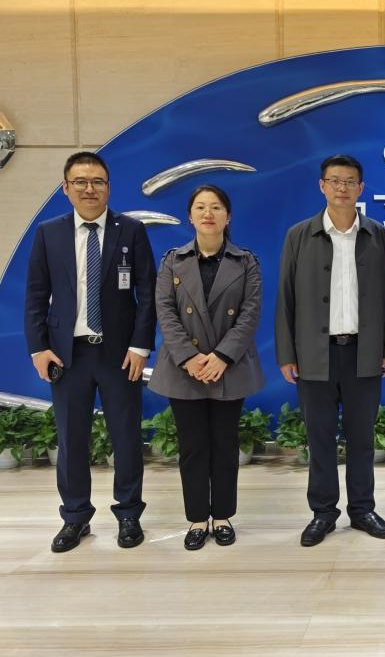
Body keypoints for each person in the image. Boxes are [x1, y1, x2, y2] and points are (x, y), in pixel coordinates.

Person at [25, 151, 156, 553]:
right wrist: (39, 348)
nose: (89, 189)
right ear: (65, 188)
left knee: (126, 437)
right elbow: (35, 296)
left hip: (119, 355)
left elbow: (148, 294)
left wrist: (140, 346)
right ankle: (75, 517)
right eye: (80, 182)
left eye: (97, 181)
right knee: (72, 440)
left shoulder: (130, 230)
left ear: (108, 187)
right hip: (68, 356)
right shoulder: (49, 233)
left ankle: (129, 514)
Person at [275, 154, 385, 547]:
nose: (342, 188)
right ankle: (323, 512)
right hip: (315, 353)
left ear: (361, 188)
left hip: (364, 352)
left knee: (363, 437)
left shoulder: (378, 235)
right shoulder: (300, 235)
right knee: (320, 438)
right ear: (322, 186)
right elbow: (286, 298)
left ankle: (362, 509)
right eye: (335, 181)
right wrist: (286, 353)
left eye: (350, 182)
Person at [148, 185, 263, 550]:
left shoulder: (246, 262)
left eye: (216, 207)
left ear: (228, 216)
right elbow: (165, 311)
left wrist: (221, 357)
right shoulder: (173, 261)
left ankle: (223, 516)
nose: (208, 214)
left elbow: (250, 314)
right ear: (190, 216)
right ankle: (198, 519)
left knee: (225, 445)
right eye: (200, 207)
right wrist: (190, 357)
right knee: (193, 447)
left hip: (229, 366)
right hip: (185, 368)